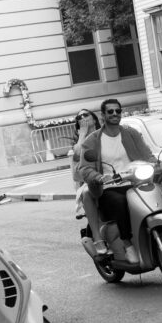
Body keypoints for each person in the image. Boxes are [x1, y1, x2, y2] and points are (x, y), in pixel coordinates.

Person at [77, 98, 156, 264]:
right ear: (103, 115)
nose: (115, 114)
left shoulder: (131, 133)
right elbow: (84, 168)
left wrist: (156, 162)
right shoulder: (92, 140)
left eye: (118, 111)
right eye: (110, 111)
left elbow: (146, 153)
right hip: (109, 187)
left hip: (134, 182)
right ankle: (128, 245)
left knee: (154, 196)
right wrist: (98, 177)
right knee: (120, 202)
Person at [70, 108, 106, 253]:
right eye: (79, 117)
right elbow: (78, 154)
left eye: (86, 115)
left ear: (94, 118)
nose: (82, 118)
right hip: (90, 180)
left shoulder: (104, 133)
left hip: (112, 174)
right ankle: (98, 239)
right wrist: (82, 134)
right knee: (87, 192)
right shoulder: (79, 142)